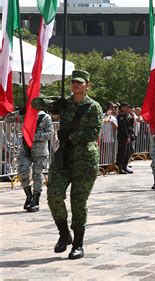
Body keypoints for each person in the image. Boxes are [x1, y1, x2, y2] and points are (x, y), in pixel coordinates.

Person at [32, 70, 102, 260]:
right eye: (73, 82)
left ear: (87, 85)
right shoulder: (65, 104)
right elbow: (35, 103)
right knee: (54, 195)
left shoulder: (93, 107)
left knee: (78, 202)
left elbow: (94, 132)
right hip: (64, 157)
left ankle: (78, 243)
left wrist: (70, 136)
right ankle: (64, 234)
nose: (75, 85)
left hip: (85, 160)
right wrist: (57, 100)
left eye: (80, 83)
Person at [14, 111, 54, 212]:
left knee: (37, 174)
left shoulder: (46, 117)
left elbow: (50, 134)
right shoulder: (26, 115)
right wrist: (20, 112)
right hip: (26, 149)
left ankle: (36, 200)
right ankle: (29, 196)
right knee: (22, 171)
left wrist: (33, 136)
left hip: (40, 151)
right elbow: (7, 118)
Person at [116, 102, 135, 174]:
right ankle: (120, 167)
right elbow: (123, 127)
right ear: (122, 107)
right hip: (123, 136)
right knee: (122, 153)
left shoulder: (127, 115)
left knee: (129, 152)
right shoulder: (121, 116)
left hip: (128, 136)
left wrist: (132, 117)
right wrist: (127, 136)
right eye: (126, 107)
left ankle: (125, 166)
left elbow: (130, 125)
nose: (128, 108)